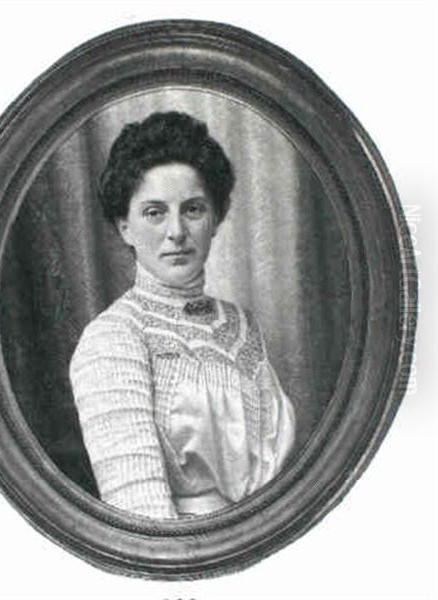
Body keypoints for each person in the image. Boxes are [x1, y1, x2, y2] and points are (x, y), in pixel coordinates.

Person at [69, 111, 295, 519]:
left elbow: (281, 475)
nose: (176, 231)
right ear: (124, 227)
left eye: (192, 209)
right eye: (154, 212)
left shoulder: (241, 326)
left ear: (215, 219)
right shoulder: (113, 337)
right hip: (178, 548)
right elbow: (136, 507)